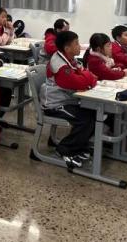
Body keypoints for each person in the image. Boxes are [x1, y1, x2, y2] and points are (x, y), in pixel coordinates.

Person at [40, 31, 98, 170]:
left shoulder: (70, 59)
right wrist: (87, 76)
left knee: (93, 113)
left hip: (68, 101)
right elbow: (80, 82)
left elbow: (88, 76)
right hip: (55, 105)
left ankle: (78, 146)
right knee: (85, 120)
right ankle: (64, 150)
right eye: (76, 44)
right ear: (67, 48)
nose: (80, 46)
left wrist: (86, 77)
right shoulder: (60, 66)